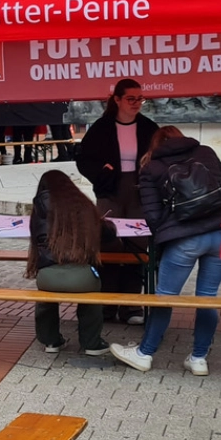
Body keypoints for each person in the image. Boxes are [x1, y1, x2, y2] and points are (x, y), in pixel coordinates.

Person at [109, 126, 221, 376]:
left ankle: (145, 354)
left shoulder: (151, 167)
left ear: (155, 144)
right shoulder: (205, 152)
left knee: (166, 296)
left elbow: (152, 215)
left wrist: (167, 230)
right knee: (208, 298)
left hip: (184, 238)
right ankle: (199, 358)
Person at [75, 79, 158, 322]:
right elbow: (83, 159)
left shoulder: (148, 127)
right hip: (110, 191)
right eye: (131, 99)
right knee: (108, 243)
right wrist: (102, 172)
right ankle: (107, 304)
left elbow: (161, 154)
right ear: (117, 100)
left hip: (140, 191)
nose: (136, 103)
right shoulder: (102, 127)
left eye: (140, 99)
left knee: (137, 246)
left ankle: (132, 305)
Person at [27, 170, 113, 356]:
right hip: (82, 276)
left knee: (46, 299)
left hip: (47, 275)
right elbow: (107, 234)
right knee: (91, 298)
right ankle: (92, 343)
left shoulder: (39, 208)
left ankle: (51, 341)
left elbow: (36, 238)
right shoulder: (83, 205)